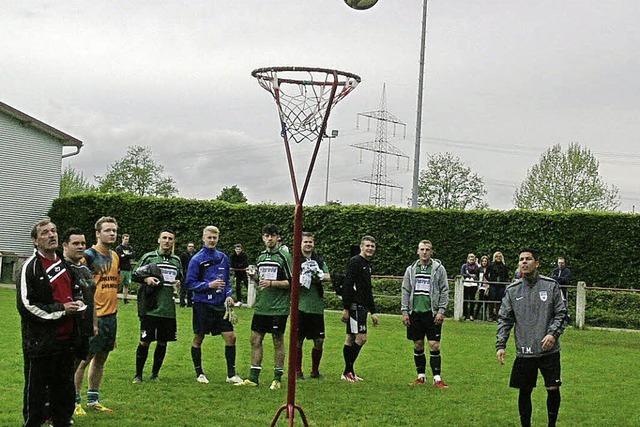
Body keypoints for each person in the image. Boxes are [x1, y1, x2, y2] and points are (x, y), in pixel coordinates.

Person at [17, 219, 83, 427]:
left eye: (54, 231)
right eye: (45, 232)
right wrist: (61, 310)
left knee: (64, 397)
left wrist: (77, 302)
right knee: (36, 399)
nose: (51, 235)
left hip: (66, 342)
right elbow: (27, 306)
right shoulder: (31, 267)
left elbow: (72, 291)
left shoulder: (65, 264)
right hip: (41, 344)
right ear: (35, 241)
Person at [496, 248, 568, 427]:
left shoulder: (551, 286)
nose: (524, 262)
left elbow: (562, 314)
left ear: (537, 263)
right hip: (525, 350)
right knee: (525, 390)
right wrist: (501, 345)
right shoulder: (512, 290)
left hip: (548, 351)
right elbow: (505, 319)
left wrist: (552, 334)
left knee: (553, 388)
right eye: (521, 259)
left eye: (528, 259)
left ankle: (552, 424)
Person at [236, 224, 292, 389]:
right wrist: (254, 277)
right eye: (266, 235)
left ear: (277, 238)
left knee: (277, 340)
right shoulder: (260, 257)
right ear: (263, 238)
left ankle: (277, 378)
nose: (269, 238)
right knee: (255, 339)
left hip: (278, 307)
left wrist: (272, 283)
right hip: (262, 306)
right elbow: (261, 281)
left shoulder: (284, 257)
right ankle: (253, 378)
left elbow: (292, 282)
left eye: (272, 235)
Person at [74, 216, 120, 413]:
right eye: (108, 230)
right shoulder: (88, 256)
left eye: (114, 230)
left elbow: (113, 284)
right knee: (83, 359)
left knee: (101, 358)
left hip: (111, 315)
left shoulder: (115, 256)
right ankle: (74, 401)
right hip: (94, 316)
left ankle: (93, 400)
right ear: (97, 233)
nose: (112, 233)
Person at [186, 226, 242, 385]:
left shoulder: (223, 257)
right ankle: (199, 373)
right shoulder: (196, 259)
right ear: (203, 238)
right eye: (209, 237)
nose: (211, 240)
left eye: (214, 238)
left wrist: (229, 294)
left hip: (220, 305)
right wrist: (208, 285)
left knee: (231, 337)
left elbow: (227, 281)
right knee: (199, 337)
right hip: (202, 304)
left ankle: (231, 374)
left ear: (218, 238)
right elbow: (190, 283)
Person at [132, 229, 183, 383]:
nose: (167, 241)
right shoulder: (149, 257)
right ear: (158, 240)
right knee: (145, 341)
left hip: (168, 309)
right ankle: (138, 375)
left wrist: (179, 284)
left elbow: (179, 278)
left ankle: (155, 374)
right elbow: (135, 274)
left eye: (170, 239)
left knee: (163, 342)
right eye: (164, 238)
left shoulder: (176, 260)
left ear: (173, 242)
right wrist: (146, 279)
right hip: (151, 307)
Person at [401, 240, 449, 388]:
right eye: (422, 249)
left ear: (431, 252)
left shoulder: (439, 269)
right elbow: (405, 290)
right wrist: (404, 311)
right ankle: (421, 376)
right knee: (418, 344)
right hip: (415, 313)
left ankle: (437, 378)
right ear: (417, 251)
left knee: (434, 345)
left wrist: (441, 310)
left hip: (432, 313)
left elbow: (444, 290)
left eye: (427, 249)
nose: (424, 252)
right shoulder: (411, 269)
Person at [61, 228, 96, 418]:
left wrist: (94, 323)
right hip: (66, 328)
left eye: (83, 243)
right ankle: (54, 410)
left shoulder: (84, 269)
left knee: (73, 369)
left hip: (84, 327)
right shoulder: (61, 269)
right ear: (65, 245)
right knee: (62, 371)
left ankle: (66, 409)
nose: (81, 246)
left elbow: (92, 298)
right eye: (76, 243)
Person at [340, 235, 379, 383]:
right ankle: (347, 371)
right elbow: (348, 285)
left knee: (350, 337)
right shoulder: (355, 262)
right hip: (355, 306)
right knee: (361, 338)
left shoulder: (367, 264)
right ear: (361, 247)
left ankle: (349, 372)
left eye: (372, 246)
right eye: (367, 246)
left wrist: (373, 311)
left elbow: (367, 290)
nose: (370, 248)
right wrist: (346, 307)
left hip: (361, 307)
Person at [295, 232, 331, 379]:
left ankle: (315, 371)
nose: (308, 244)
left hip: (316, 307)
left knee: (319, 341)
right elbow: (290, 278)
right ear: (300, 243)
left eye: (310, 242)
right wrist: (302, 277)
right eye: (305, 242)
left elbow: (329, 276)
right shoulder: (296, 259)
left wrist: (318, 275)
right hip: (300, 306)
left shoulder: (319, 260)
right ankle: (297, 371)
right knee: (298, 340)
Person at [487, 251, 510, 321]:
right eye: (497, 256)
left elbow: (507, 276)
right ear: (494, 257)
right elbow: (486, 274)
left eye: (500, 257)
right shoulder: (491, 265)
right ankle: (490, 316)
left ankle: (498, 316)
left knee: (499, 301)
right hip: (493, 285)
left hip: (501, 286)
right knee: (491, 300)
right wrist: (490, 280)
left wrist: (504, 282)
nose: (498, 258)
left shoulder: (504, 266)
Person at [115, 234, 134, 304]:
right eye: (125, 239)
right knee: (118, 285)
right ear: (122, 239)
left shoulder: (130, 248)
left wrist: (125, 255)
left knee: (126, 285)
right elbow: (120, 257)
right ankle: (114, 298)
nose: (127, 241)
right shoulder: (119, 248)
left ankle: (125, 299)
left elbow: (132, 255)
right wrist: (127, 256)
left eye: (128, 239)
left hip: (128, 269)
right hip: (121, 269)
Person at [460, 253, 480, 320]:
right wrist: (469, 275)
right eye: (470, 257)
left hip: (473, 284)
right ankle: (464, 315)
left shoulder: (477, 266)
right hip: (466, 284)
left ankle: (471, 315)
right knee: (465, 299)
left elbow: (478, 275)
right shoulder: (464, 266)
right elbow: (462, 274)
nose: (471, 258)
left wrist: (474, 277)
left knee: (472, 299)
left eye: (473, 257)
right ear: (468, 258)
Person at [179, 242, 196, 307]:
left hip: (192, 275)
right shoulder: (183, 255)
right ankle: (182, 303)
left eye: (192, 246)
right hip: (184, 274)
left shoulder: (195, 255)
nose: (190, 248)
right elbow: (181, 265)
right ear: (187, 247)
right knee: (183, 290)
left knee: (190, 290)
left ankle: (189, 303)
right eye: (189, 246)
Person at [474, 255, 490, 320]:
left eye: (485, 261)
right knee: (480, 302)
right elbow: (476, 277)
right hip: (481, 287)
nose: (484, 262)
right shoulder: (479, 269)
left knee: (486, 303)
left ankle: (484, 317)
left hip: (488, 287)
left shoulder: (489, 269)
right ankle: (475, 316)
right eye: (483, 261)